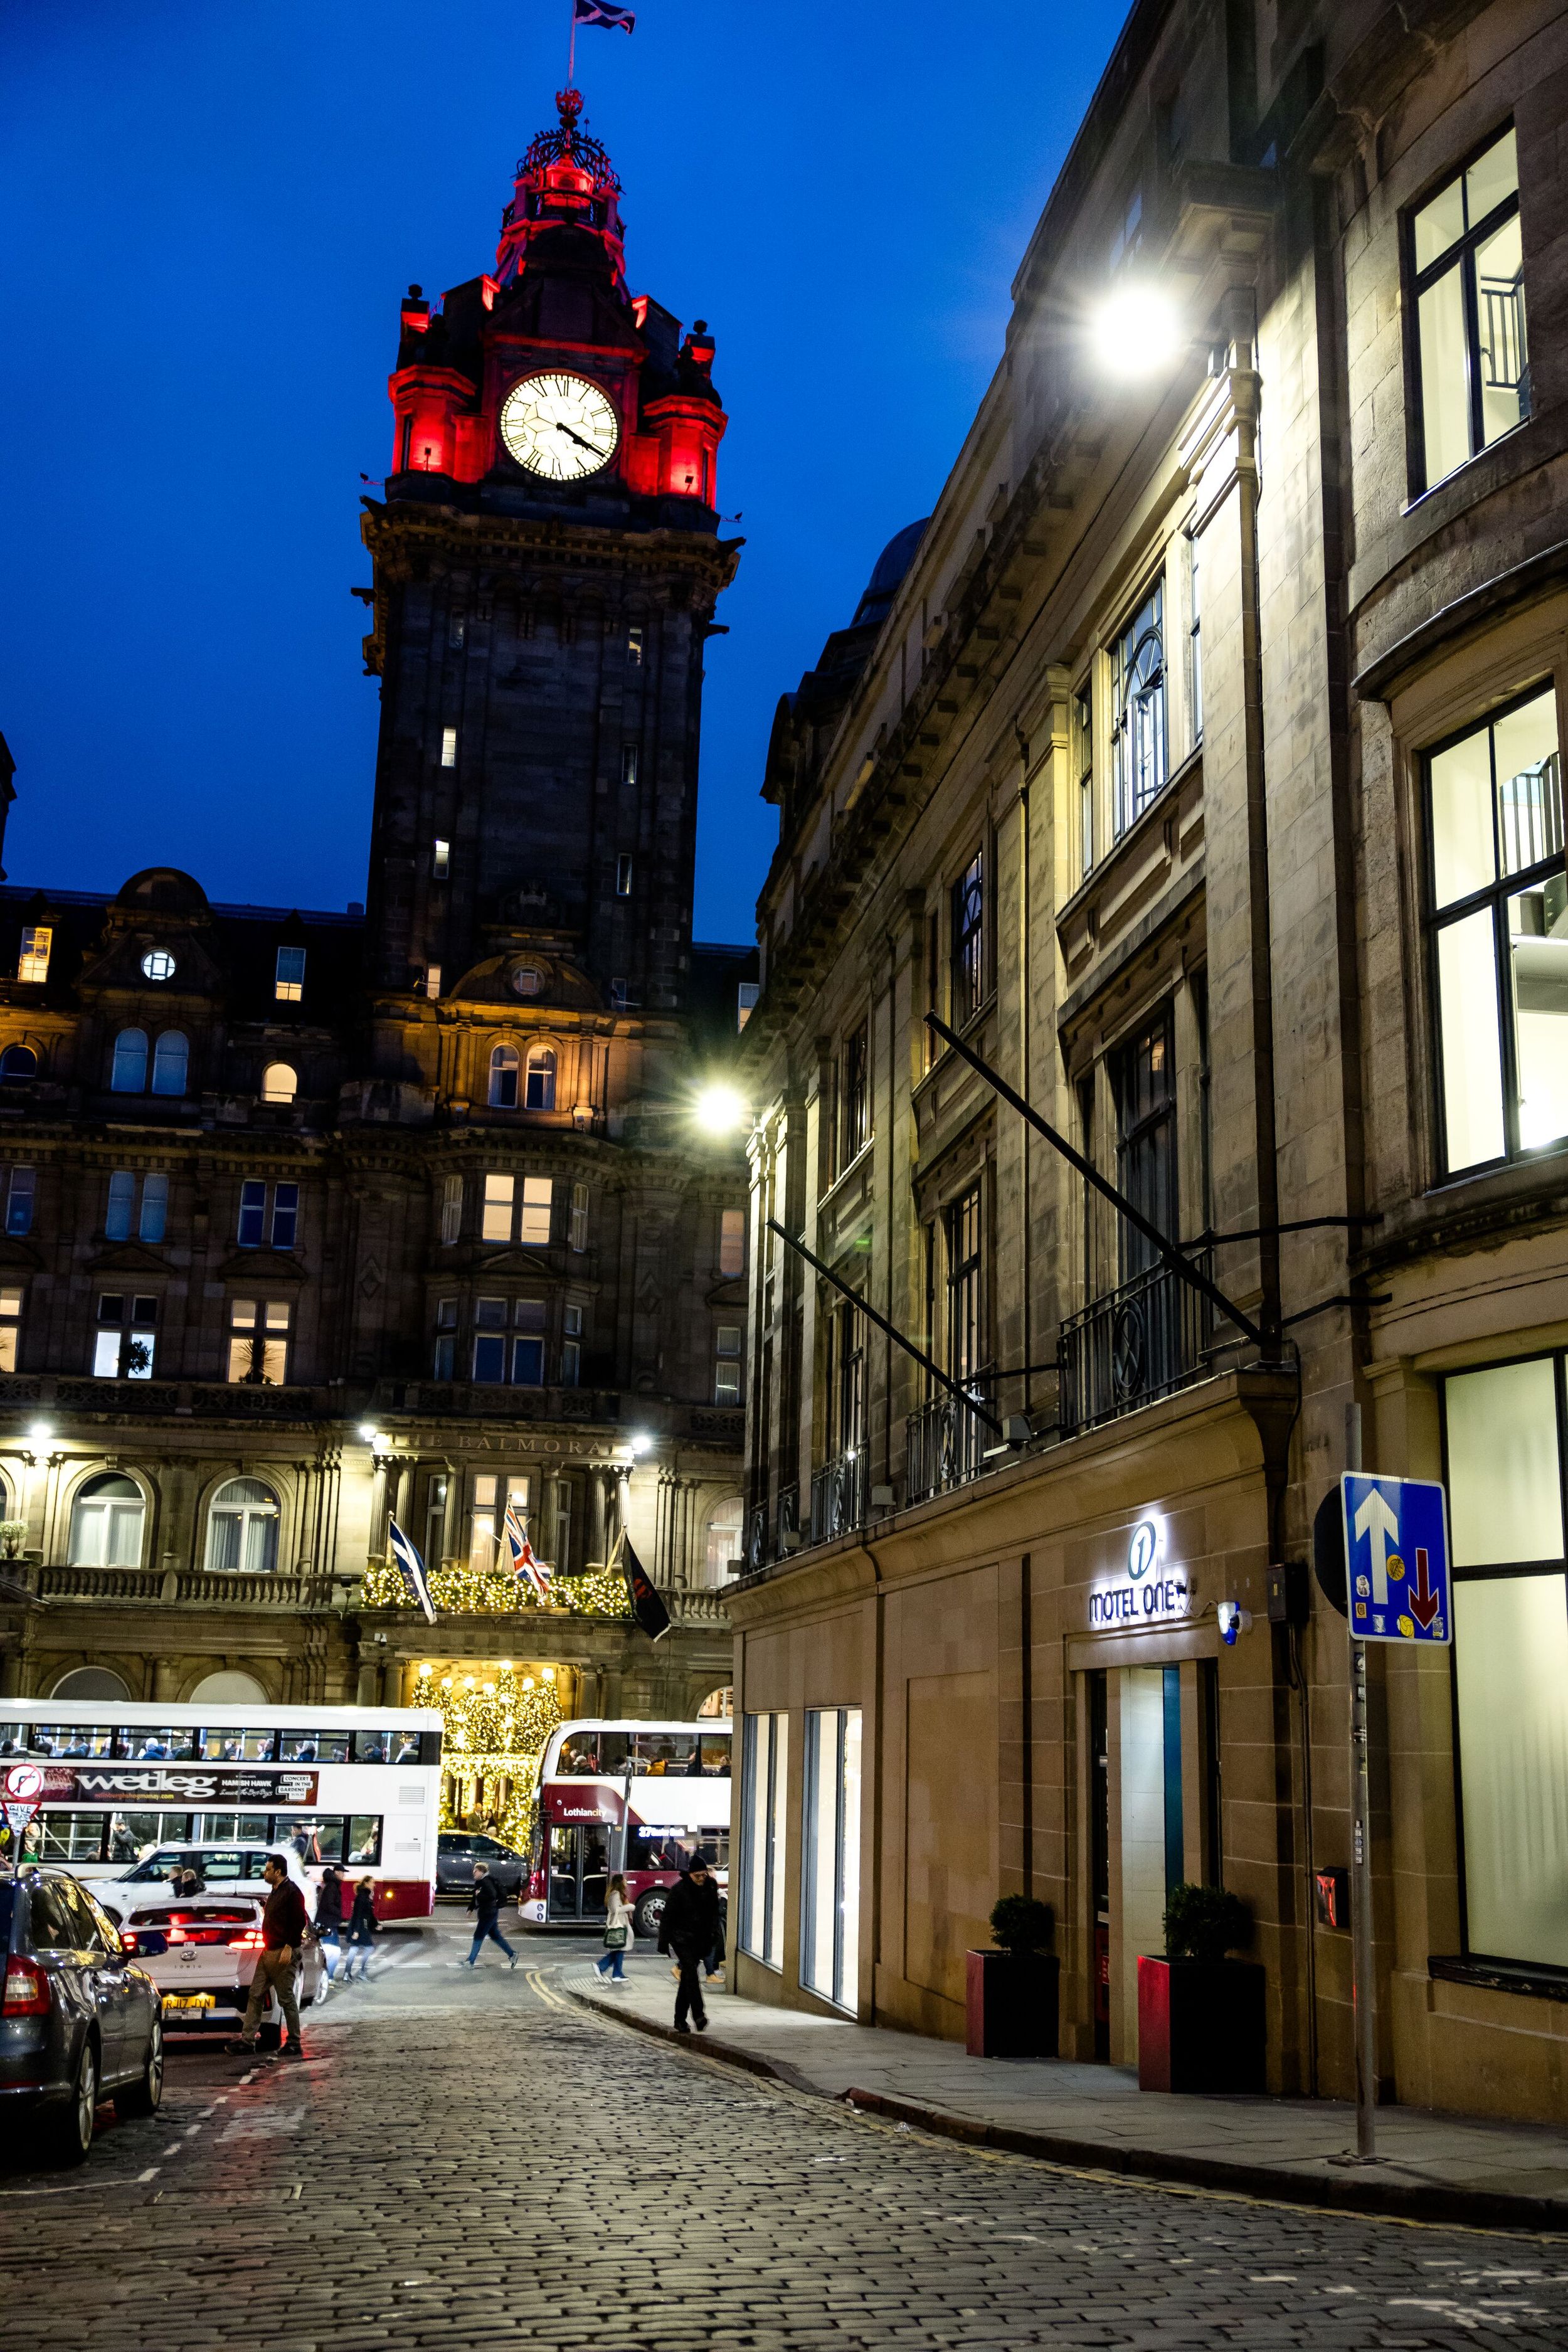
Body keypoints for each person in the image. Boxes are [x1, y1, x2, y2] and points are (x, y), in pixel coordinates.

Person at [228, 1853, 308, 2059]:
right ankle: (248, 2041)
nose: (265, 1873)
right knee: (255, 1994)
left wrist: (289, 1946)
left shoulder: (292, 1892)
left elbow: (299, 1921)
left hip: (282, 1952)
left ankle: (294, 2042)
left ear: (278, 1872)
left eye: (268, 1869)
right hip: (269, 1952)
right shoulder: (276, 1891)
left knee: (286, 1998)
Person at [657, 1856, 720, 2034]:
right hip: (681, 1939)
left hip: (700, 1939)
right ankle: (699, 2015)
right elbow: (668, 1917)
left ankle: (680, 2020)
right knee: (691, 1973)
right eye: (698, 1876)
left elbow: (714, 1912)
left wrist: (714, 1934)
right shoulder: (679, 1890)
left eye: (704, 1875)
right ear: (690, 1874)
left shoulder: (711, 1885)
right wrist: (663, 1942)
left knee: (687, 1979)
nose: (701, 1879)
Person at [465, 1862, 517, 1969]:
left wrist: (480, 1894)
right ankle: (512, 1955)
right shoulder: (480, 1882)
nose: (474, 1872)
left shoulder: (486, 1882)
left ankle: (470, 1961)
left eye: (476, 1871)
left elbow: (492, 1895)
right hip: (489, 1913)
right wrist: (470, 1908)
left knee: (478, 1936)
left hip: (489, 1913)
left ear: (482, 1872)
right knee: (495, 1935)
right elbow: (475, 1897)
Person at [595, 1874, 634, 1984]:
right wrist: (630, 1907)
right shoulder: (615, 1894)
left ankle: (613, 1971)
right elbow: (615, 1909)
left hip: (621, 1923)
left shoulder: (618, 1894)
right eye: (624, 1880)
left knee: (620, 1949)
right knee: (620, 1948)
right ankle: (608, 1969)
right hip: (618, 1925)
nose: (626, 1881)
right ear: (620, 1882)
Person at [341, 1875, 378, 1981]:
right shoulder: (362, 1897)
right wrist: (356, 1931)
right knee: (368, 1948)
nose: (374, 1885)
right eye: (372, 1883)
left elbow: (369, 1913)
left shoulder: (365, 1896)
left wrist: (376, 1924)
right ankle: (360, 1973)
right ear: (366, 1883)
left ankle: (348, 1974)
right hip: (361, 1927)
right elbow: (358, 1914)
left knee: (355, 1948)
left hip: (361, 1927)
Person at [314, 1863, 344, 1979]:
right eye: (342, 1872)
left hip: (329, 1923)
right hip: (328, 1924)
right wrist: (339, 1913)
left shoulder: (331, 1886)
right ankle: (327, 1977)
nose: (344, 1875)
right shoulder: (332, 1887)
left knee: (333, 1951)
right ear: (337, 1873)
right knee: (333, 1952)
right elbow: (329, 1905)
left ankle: (327, 1976)